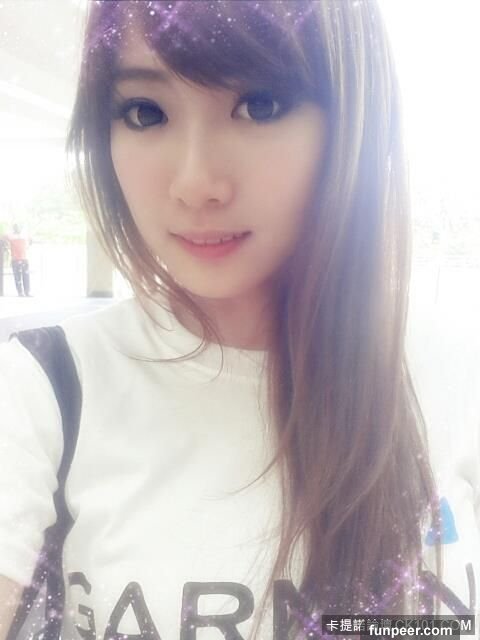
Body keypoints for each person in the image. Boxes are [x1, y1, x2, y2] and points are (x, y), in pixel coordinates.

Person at [0, 1, 478, 639]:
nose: (195, 183)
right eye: (145, 112)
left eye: (262, 104)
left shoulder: (458, 371)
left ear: (353, 120)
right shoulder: (46, 385)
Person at [6, 224, 31, 297]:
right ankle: (22, 292)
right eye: (16, 227)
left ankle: (25, 292)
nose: (17, 229)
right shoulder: (13, 236)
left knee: (24, 276)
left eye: (18, 227)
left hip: (22, 259)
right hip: (17, 259)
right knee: (19, 277)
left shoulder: (13, 236)